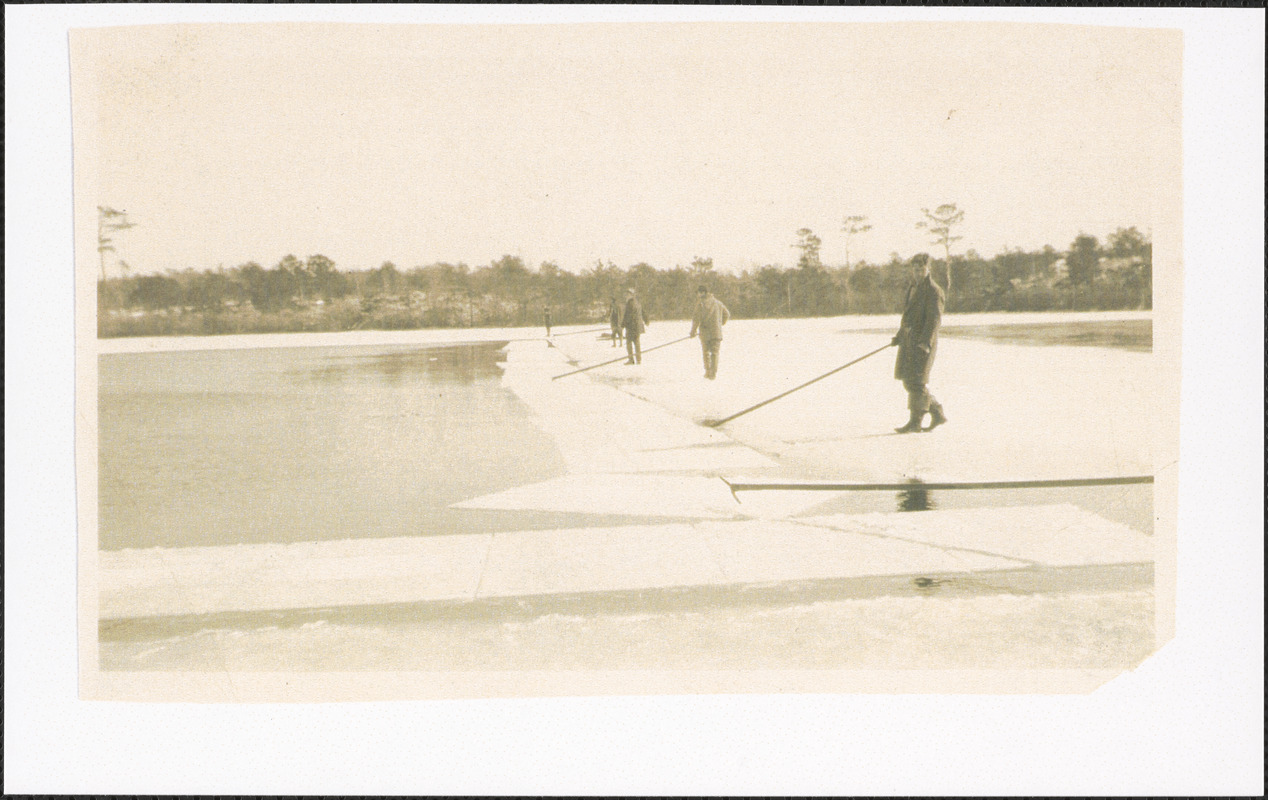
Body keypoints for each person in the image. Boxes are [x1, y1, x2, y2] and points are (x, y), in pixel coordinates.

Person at [892, 253, 948, 433]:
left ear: (928, 269)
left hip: (923, 344)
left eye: (921, 269)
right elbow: (908, 317)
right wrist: (899, 336)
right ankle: (937, 413)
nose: (918, 273)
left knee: (916, 382)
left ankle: (915, 422)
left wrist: (925, 343)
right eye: (915, 270)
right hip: (909, 342)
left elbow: (934, 320)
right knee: (909, 381)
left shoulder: (934, 291)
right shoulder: (912, 287)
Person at [689, 285, 730, 379]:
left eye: (698, 293)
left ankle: (708, 372)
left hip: (705, 333)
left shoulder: (700, 304)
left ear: (703, 292)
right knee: (715, 353)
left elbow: (696, 319)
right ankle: (713, 373)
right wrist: (720, 323)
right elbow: (727, 314)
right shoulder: (718, 303)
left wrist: (693, 331)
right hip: (716, 332)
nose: (698, 295)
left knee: (706, 352)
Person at [622, 287, 647, 365]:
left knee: (629, 343)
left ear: (631, 295)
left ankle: (631, 359)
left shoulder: (630, 303)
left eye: (627, 294)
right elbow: (643, 312)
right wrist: (646, 320)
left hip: (631, 327)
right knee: (637, 343)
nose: (626, 296)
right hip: (638, 326)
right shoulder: (637, 303)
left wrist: (623, 324)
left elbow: (628, 315)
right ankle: (638, 359)